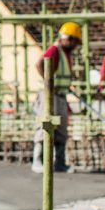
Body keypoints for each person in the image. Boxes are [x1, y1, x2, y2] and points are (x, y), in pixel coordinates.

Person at [32, 22, 81, 174]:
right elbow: (40, 64)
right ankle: (38, 161)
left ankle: (59, 163)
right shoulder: (55, 50)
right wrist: (49, 82)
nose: (75, 46)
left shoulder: (65, 53)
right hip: (48, 95)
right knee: (45, 126)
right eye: (74, 42)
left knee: (61, 130)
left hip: (60, 95)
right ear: (68, 38)